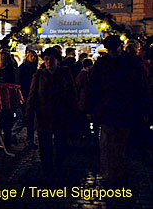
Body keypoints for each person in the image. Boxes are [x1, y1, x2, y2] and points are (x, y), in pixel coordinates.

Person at [88, 35, 148, 187]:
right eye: (111, 49)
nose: (113, 52)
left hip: (123, 109)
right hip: (111, 110)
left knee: (120, 143)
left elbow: (140, 86)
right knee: (109, 144)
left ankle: (118, 172)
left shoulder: (130, 62)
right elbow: (94, 87)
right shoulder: (106, 62)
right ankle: (110, 173)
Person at [27, 47, 77, 182]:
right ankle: (47, 172)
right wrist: (30, 113)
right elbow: (32, 95)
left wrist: (72, 112)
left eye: (51, 59)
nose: (48, 62)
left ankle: (60, 170)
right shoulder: (38, 75)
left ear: (57, 60)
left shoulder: (65, 73)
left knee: (61, 145)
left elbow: (72, 94)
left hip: (61, 115)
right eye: (46, 59)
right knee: (45, 146)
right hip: (44, 116)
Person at [17, 50, 39, 148]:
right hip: (25, 94)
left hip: (33, 95)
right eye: (31, 56)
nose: (33, 58)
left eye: (34, 56)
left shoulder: (35, 69)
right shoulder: (23, 68)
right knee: (23, 118)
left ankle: (30, 140)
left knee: (31, 119)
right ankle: (14, 134)